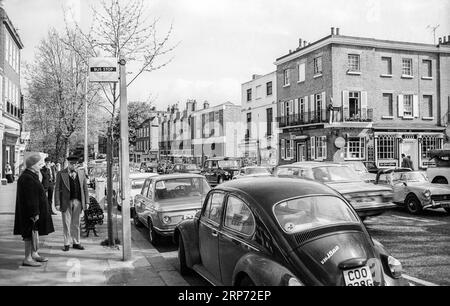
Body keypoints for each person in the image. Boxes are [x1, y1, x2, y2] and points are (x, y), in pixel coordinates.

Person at [13, 153, 55, 267]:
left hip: (32, 212)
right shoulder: (27, 177)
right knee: (28, 234)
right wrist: (34, 213)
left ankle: (34, 254)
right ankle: (27, 258)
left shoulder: (31, 175)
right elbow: (31, 198)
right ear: (32, 165)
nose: (41, 166)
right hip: (30, 213)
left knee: (33, 233)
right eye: (39, 164)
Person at [55, 156, 89, 252]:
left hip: (78, 201)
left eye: (75, 163)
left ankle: (76, 242)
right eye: (71, 163)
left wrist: (87, 202)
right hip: (66, 202)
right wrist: (57, 203)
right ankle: (66, 243)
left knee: (76, 223)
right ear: (68, 163)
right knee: (66, 223)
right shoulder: (61, 173)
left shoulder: (81, 173)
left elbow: (85, 189)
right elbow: (57, 189)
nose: (73, 165)